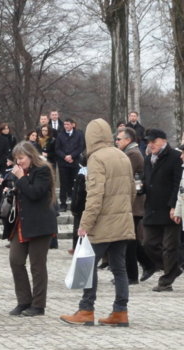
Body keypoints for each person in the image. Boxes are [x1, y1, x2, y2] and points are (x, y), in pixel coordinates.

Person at [60, 119, 136, 327]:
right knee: (119, 268)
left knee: (89, 265)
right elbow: (131, 191)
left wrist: (85, 223)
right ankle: (120, 311)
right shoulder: (122, 155)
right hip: (123, 221)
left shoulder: (96, 159)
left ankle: (86, 309)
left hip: (102, 223)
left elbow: (95, 195)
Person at [6, 142, 57, 317]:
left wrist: (20, 179)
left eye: (21, 158)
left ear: (30, 156)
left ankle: (38, 305)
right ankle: (23, 301)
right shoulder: (19, 172)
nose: (18, 162)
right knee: (16, 260)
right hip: (21, 223)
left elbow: (35, 193)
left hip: (40, 224)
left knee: (37, 265)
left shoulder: (43, 170)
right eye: (16, 159)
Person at [140, 128, 183, 292]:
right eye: (149, 142)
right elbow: (146, 180)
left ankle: (166, 280)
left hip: (170, 209)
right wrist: (141, 188)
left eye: (153, 141)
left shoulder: (174, 157)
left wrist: (174, 206)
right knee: (148, 244)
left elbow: (177, 183)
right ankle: (173, 269)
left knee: (170, 246)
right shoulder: (148, 158)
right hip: (152, 208)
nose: (151, 145)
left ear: (163, 140)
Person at [115, 127, 154, 283]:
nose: (116, 142)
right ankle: (147, 265)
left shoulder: (133, 154)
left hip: (134, 204)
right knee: (131, 239)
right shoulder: (129, 153)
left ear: (128, 140)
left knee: (129, 240)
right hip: (131, 203)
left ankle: (132, 274)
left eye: (119, 139)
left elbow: (123, 176)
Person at [54, 118, 85, 212]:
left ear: (72, 125)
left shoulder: (79, 134)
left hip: (75, 162)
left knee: (76, 182)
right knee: (63, 183)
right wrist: (65, 156)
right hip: (63, 163)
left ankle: (75, 202)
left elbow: (81, 146)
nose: (66, 126)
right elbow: (57, 148)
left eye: (68, 124)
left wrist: (72, 156)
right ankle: (63, 204)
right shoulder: (60, 135)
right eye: (65, 124)